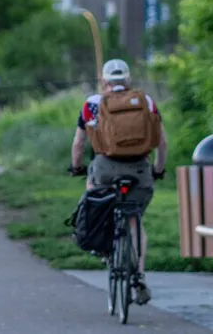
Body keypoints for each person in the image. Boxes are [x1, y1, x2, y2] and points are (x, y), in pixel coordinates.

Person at [68, 59, 167, 305]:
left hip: (105, 168)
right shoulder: (147, 102)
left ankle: (101, 244)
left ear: (104, 81)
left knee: (94, 194)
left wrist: (77, 167)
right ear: (128, 79)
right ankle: (139, 276)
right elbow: (162, 143)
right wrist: (158, 169)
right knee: (134, 219)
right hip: (139, 169)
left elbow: (79, 143)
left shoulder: (92, 104)